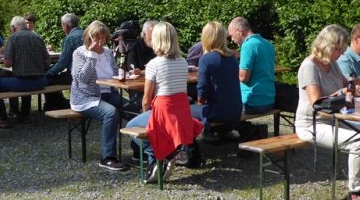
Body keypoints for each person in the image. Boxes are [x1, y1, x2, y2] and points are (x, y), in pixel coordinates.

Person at [295, 25, 360, 200]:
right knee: (359, 140)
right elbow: (317, 103)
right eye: (340, 49)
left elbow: (347, 84)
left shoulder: (332, 64)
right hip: (312, 124)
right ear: (328, 46)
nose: (342, 52)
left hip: (334, 119)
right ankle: (355, 194)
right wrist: (343, 92)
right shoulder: (309, 67)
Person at [124, 22, 203, 182]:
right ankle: (162, 158)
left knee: (131, 126)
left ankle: (158, 156)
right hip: (181, 112)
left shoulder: (154, 64)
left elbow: (146, 99)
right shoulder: (182, 62)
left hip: (162, 110)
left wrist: (147, 114)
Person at [70, 21, 128, 171]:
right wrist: (92, 56)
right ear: (88, 37)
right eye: (96, 37)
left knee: (134, 108)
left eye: (103, 37)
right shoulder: (79, 53)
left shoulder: (108, 52)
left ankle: (140, 150)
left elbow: (115, 73)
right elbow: (82, 79)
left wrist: (129, 74)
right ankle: (108, 157)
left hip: (108, 93)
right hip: (86, 98)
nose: (100, 41)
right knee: (111, 113)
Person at [0, 16, 50, 128]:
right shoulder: (37, 37)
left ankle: (1, 118)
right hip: (41, 81)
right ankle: (25, 115)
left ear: (13, 27)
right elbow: (47, 62)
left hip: (24, 83)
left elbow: (8, 63)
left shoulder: (13, 38)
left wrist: (6, 56)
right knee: (24, 76)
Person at [195, 21, 242, 144]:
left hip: (217, 112)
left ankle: (202, 135)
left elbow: (202, 91)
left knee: (186, 110)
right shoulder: (232, 58)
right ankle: (224, 131)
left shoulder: (206, 59)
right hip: (235, 110)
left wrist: (199, 102)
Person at [227, 16, 275, 114]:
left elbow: (243, 78)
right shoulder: (267, 43)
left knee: (221, 106)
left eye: (232, 35)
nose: (232, 39)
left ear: (239, 31)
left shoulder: (248, 46)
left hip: (252, 102)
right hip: (269, 100)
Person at [43, 13, 83, 111]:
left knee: (48, 80)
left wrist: (47, 73)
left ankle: (60, 105)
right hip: (90, 73)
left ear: (65, 25)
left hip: (74, 76)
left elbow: (62, 64)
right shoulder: (87, 34)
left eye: (62, 25)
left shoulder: (69, 38)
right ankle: (56, 104)